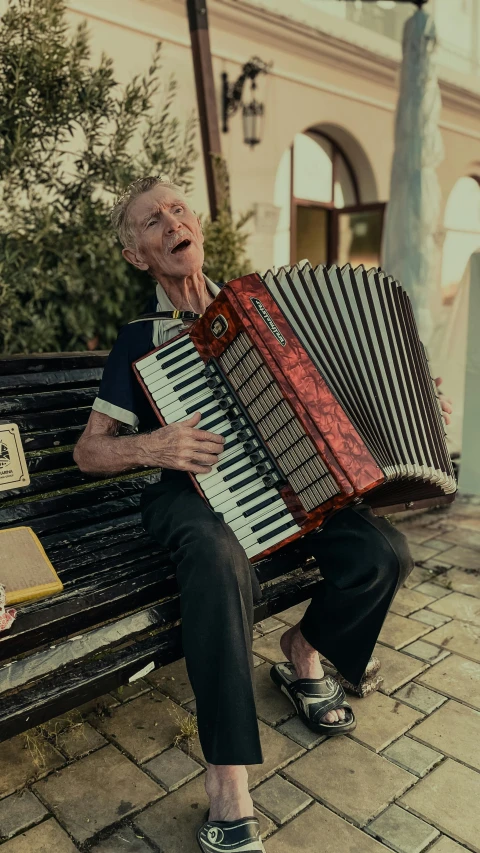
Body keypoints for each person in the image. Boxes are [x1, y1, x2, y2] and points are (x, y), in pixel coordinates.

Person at [73, 176, 453, 853]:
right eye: (151, 220)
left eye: (177, 209)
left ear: (195, 223)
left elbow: (344, 393)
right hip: (188, 497)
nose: (170, 222)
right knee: (217, 558)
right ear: (138, 255)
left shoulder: (270, 310)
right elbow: (89, 451)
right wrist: (154, 443)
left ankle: (303, 648)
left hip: (292, 489)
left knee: (382, 553)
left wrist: (420, 401)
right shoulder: (140, 340)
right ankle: (228, 777)